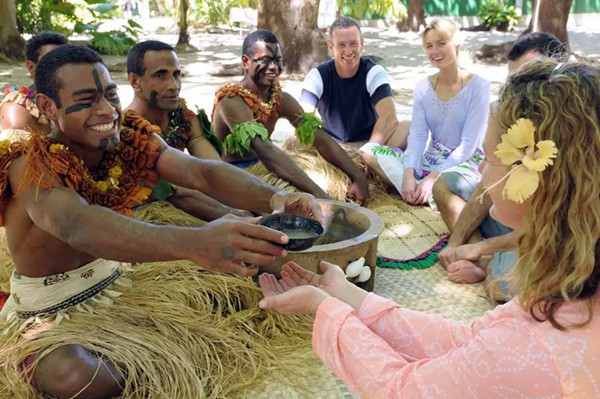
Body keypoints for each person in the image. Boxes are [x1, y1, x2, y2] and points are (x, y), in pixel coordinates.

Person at [258, 59, 600, 398]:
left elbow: (401, 390)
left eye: (492, 158)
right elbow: (466, 341)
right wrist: (344, 293)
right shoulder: (571, 287)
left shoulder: (530, 349)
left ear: (537, 177)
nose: (481, 167)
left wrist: (325, 309)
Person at [0, 45, 323, 399]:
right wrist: (195, 243)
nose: (106, 110)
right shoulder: (29, 165)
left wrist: (275, 198)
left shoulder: (127, 139)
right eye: (87, 99)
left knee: (236, 294)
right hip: (50, 311)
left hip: (116, 289)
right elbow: (77, 224)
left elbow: (199, 173)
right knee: (77, 376)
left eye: (110, 95)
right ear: (48, 107)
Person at [433, 32, 567, 297]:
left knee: (502, 285)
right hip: (515, 222)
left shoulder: (565, 143)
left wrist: (482, 251)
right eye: (513, 81)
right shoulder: (514, 115)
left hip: (540, 238)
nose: (515, 91)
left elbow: (551, 227)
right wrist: (457, 245)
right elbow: (487, 182)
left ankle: (487, 265)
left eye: (526, 79)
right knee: (447, 183)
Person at [212, 29, 369, 204]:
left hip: (264, 167)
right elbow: (264, 150)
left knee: (326, 177)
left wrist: (358, 176)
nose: (273, 67)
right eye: (265, 60)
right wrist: (321, 197)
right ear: (246, 62)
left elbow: (319, 137)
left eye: (277, 61)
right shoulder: (232, 101)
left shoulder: (279, 99)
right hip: (230, 175)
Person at [361, 19, 490, 205]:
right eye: (429, 46)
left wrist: (432, 179)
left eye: (441, 43)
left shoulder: (479, 86)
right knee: (368, 151)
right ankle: (420, 191)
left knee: (450, 183)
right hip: (430, 159)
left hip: (462, 164)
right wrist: (408, 172)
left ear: (457, 45)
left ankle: (428, 191)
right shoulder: (423, 87)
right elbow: (419, 136)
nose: (435, 51)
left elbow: (468, 145)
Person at [126, 40, 247, 221]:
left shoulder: (182, 116)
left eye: (177, 75)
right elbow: (178, 194)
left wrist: (256, 204)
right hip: (147, 220)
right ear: (135, 81)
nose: (174, 85)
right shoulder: (125, 132)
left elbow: (214, 169)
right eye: (161, 75)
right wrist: (243, 218)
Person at [299, 16, 408, 148]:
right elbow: (303, 116)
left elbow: (389, 117)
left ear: (362, 44)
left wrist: (367, 153)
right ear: (331, 47)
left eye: (353, 44)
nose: (348, 51)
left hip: (369, 143)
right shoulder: (317, 76)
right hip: (332, 146)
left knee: (406, 129)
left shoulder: (374, 72)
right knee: (295, 142)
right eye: (341, 45)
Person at [0, 31, 68, 139]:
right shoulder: (18, 107)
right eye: (51, 61)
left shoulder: (81, 99)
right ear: (31, 67)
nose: (61, 68)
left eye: (67, 61)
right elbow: (20, 153)